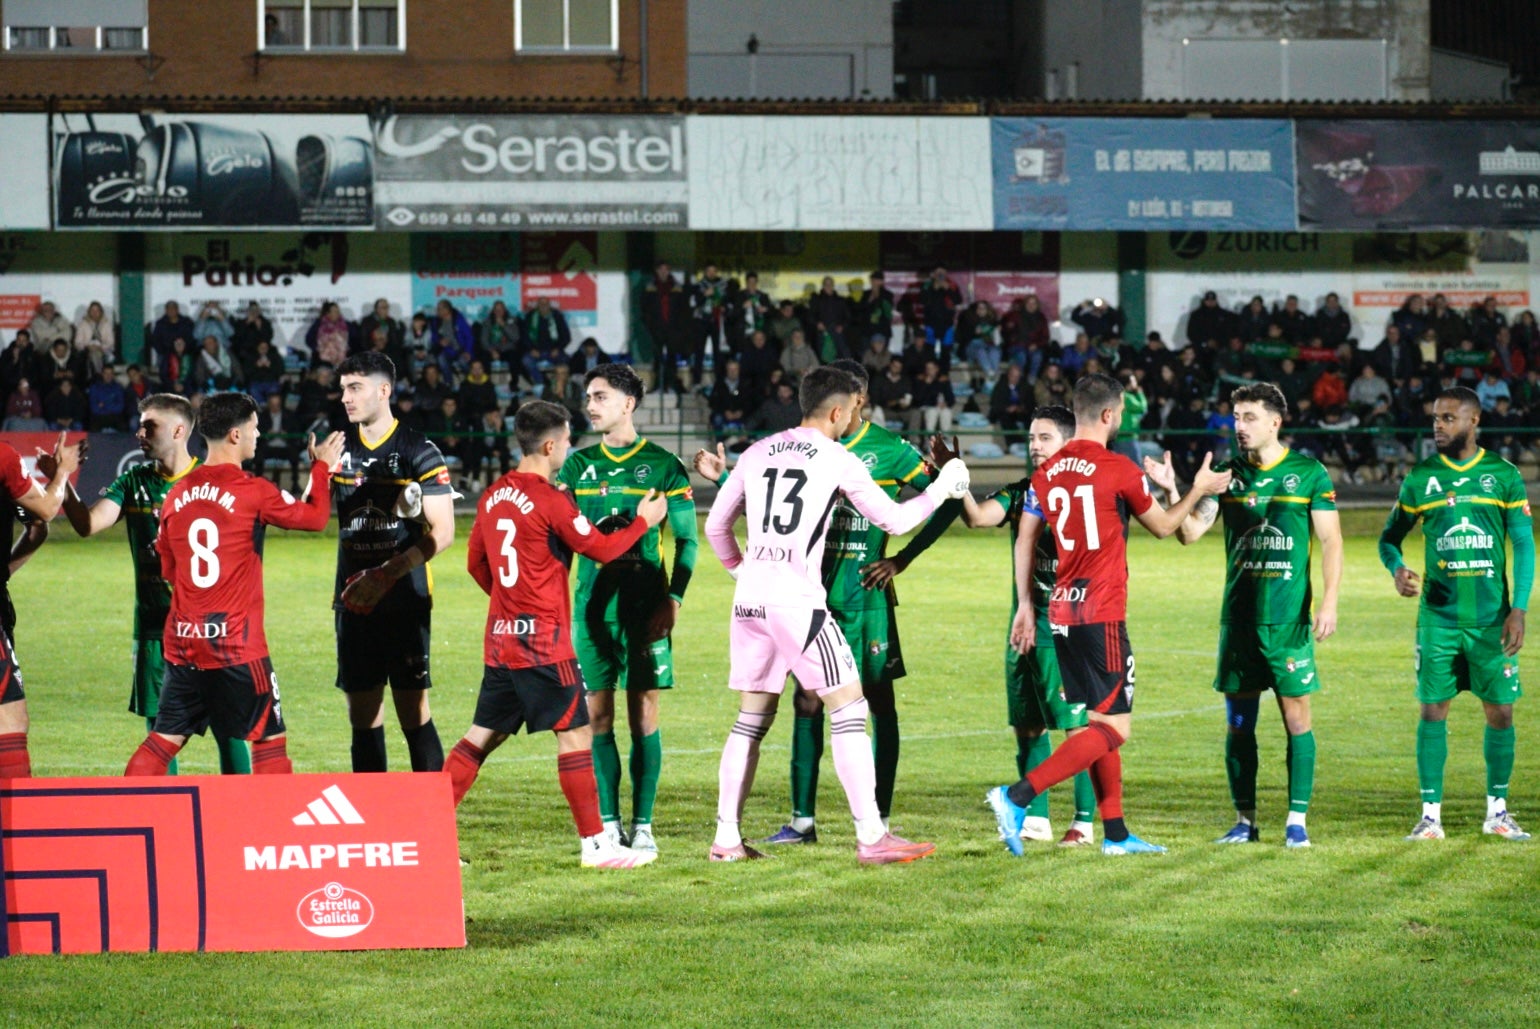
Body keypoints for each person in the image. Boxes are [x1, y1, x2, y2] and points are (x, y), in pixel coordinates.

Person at [702, 364, 970, 862]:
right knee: (849, 707)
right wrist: (944, 486)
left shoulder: (757, 451)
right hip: (797, 600)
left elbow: (716, 526)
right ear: (837, 411)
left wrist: (742, 572)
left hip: (750, 602)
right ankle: (872, 836)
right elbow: (895, 518)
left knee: (750, 720)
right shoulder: (836, 456)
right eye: (850, 412)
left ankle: (726, 840)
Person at [986, 373, 1231, 856]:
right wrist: (1196, 488)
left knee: (1100, 721)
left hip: (1061, 610)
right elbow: (1165, 527)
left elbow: (1025, 538)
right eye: (1119, 414)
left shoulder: (1046, 473)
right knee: (1114, 729)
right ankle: (1016, 797)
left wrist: (1027, 606)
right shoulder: (1118, 468)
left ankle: (1116, 834)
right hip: (1101, 611)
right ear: (1107, 414)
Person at [445, 401, 668, 869]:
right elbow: (602, 548)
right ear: (550, 446)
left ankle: (426, 832)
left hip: (502, 640)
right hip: (544, 643)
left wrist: (511, 603)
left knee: (481, 736)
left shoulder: (493, 495)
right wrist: (643, 521)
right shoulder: (551, 500)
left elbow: (476, 563)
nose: (569, 447)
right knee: (577, 733)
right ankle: (596, 846)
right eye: (566, 441)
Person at [1145, 383, 1342, 848]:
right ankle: (1244, 821)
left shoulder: (1308, 473)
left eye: (1249, 417)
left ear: (1275, 422)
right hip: (1238, 621)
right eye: (1235, 417)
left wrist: (1329, 601)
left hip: (1288, 622)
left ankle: (1296, 822)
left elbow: (1331, 540)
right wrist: (1174, 489)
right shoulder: (1225, 474)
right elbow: (1190, 533)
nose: (1239, 425)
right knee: (1238, 726)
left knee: (1297, 720)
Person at [123, 394, 344, 776]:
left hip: (184, 642)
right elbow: (315, 518)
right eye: (255, 428)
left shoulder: (176, 494)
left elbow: (170, 571)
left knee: (162, 742)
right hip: (236, 645)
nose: (258, 435)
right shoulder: (252, 490)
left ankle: (128, 811)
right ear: (235, 434)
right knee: (268, 740)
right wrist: (321, 468)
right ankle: (269, 816)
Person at [52, 394, 250, 774]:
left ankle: (243, 808)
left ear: (178, 431)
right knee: (161, 733)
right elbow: (87, 524)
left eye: (150, 426)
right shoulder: (134, 481)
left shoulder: (211, 482)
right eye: (140, 425)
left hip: (210, 630)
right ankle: (165, 810)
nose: (140, 433)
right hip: (155, 631)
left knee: (230, 730)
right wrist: (62, 479)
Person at [1379, 386, 1534, 842]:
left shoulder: (1502, 475)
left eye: (1448, 418)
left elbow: (1524, 545)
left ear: (1473, 421)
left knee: (1501, 712)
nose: (1438, 426)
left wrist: (1519, 608)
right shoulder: (1421, 479)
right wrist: (1397, 568)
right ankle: (1430, 817)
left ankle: (1498, 812)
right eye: (1435, 418)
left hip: (1491, 619)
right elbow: (1389, 538)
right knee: (1432, 711)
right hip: (1438, 619)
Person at [557, 363, 699, 853]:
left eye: (600, 397)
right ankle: (609, 823)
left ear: (628, 404)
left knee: (643, 717)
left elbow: (687, 541)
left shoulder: (663, 465)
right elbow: (561, 540)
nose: (590, 406)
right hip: (590, 612)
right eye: (588, 397)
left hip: (645, 611)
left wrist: (674, 599)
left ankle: (643, 825)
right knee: (597, 719)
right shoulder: (576, 467)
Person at [957, 406, 1097, 845]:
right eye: (1032, 438)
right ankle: (1036, 819)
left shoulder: (1085, 495)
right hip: (1024, 624)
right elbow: (977, 517)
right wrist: (956, 482)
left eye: (1045, 438)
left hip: (1068, 625)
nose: (1035, 446)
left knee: (1077, 726)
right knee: (1028, 722)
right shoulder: (1022, 492)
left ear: (1069, 443)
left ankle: (1084, 822)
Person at [324, 352, 457, 774]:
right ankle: (372, 811)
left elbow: (444, 532)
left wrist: (387, 574)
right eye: (343, 389)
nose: (346, 397)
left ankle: (431, 810)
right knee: (363, 718)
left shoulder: (419, 449)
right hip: (353, 600)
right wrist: (316, 473)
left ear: (384, 391)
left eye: (355, 388)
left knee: (413, 712)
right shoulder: (337, 449)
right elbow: (312, 514)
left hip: (403, 600)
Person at [0, 431, 83, 780]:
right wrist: (62, 472)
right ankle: (16, 815)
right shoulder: (3, 457)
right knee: (10, 722)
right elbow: (44, 514)